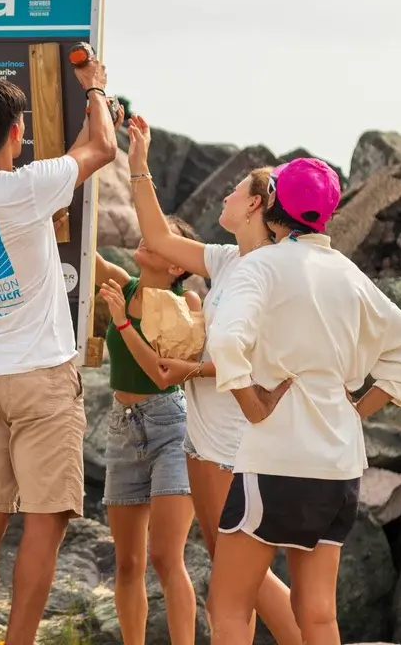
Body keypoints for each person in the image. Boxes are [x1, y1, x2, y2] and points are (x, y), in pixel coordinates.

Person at [206, 157, 401, 645]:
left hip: (276, 460)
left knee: (227, 606)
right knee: (317, 614)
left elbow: (226, 341)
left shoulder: (260, 266)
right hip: (339, 465)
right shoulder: (348, 274)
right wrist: (360, 409)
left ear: (270, 205)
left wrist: (249, 403)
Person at [0, 64, 119, 645]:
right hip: (41, 376)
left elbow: (58, 173)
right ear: (17, 132)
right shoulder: (27, 188)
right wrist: (95, 85)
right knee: (45, 526)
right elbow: (103, 148)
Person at [124, 115, 302, 643]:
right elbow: (156, 235)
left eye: (233, 191)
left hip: (236, 443)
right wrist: (139, 165)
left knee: (239, 574)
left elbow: (265, 364)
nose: (223, 198)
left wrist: (190, 370)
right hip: (205, 440)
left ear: (253, 205)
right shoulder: (227, 260)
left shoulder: (274, 271)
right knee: (232, 576)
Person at [95, 216, 202, 645]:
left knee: (165, 557)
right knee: (127, 563)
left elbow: (162, 375)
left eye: (161, 240)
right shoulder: (123, 285)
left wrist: (122, 322)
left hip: (172, 427)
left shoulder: (188, 303)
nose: (146, 238)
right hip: (122, 427)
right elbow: (85, 253)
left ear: (178, 264)